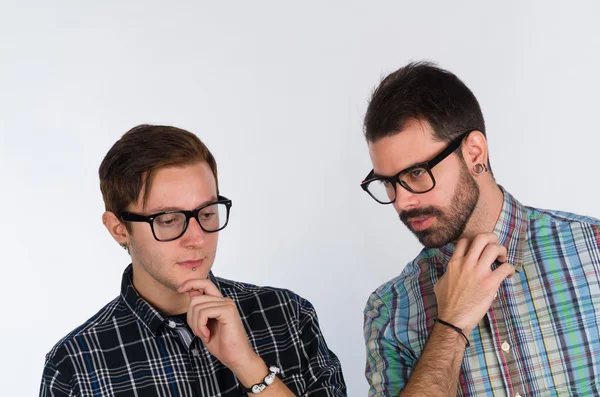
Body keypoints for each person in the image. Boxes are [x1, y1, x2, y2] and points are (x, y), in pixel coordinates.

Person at [40, 124, 346, 396]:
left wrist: (251, 368)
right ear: (120, 229)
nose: (197, 238)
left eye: (207, 213)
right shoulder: (75, 367)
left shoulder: (288, 315)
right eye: (169, 219)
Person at [361, 62, 600, 396]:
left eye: (415, 174)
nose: (402, 202)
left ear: (474, 153)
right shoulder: (389, 312)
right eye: (388, 183)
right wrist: (450, 326)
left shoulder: (594, 249)